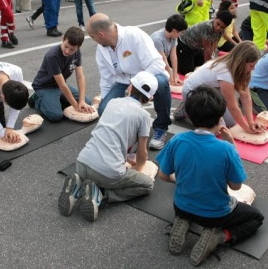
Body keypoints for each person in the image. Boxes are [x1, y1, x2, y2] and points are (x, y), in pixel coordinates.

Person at [157, 86, 264, 266]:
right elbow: (236, 186)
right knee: (256, 218)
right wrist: (232, 143)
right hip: (215, 215)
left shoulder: (177, 140)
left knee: (188, 203)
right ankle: (220, 236)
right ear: (220, 118)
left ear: (190, 116)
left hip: (181, 206)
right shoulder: (226, 149)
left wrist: (180, 180)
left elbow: (163, 175)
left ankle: (183, 220)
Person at [58, 71, 158, 222]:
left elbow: (110, 135)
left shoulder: (113, 102)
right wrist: (135, 170)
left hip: (82, 162)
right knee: (147, 185)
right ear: (151, 98)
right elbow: (142, 154)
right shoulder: (144, 116)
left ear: (130, 87)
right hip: (107, 173)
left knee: (99, 170)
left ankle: (78, 187)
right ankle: (102, 194)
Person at [87, 13, 172, 150]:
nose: (93, 40)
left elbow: (157, 64)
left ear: (101, 34)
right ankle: (124, 134)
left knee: (162, 83)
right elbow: (106, 78)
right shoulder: (101, 49)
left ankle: (161, 127)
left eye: (92, 37)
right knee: (104, 110)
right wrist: (105, 100)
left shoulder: (134, 35)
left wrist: (138, 83)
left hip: (149, 77)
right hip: (124, 82)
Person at [174, 41, 265, 134]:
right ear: (241, 62)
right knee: (217, 129)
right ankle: (188, 108)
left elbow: (245, 96)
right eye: (251, 66)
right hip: (194, 93)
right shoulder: (225, 72)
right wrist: (246, 129)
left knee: (231, 122)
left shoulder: (239, 68)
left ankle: (191, 109)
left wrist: (250, 122)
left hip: (211, 91)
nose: (253, 69)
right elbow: (232, 106)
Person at [29, 26, 92, 121]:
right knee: (56, 115)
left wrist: (82, 101)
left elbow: (80, 77)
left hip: (59, 86)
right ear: (63, 39)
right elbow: (62, 85)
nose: (67, 51)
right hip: (45, 87)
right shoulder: (52, 55)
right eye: (66, 46)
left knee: (87, 102)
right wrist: (75, 105)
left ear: (78, 47)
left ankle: (54, 100)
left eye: (72, 49)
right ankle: (36, 98)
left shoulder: (77, 52)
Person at [176, 10, 233, 75]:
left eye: (222, 27)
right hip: (184, 44)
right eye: (217, 24)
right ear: (215, 18)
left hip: (196, 47)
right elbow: (207, 48)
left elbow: (214, 44)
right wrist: (208, 67)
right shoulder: (207, 27)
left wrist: (212, 59)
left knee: (201, 63)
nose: (218, 28)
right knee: (188, 72)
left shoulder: (221, 31)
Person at [150, 14, 188, 87]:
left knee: (172, 75)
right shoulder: (157, 39)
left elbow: (173, 56)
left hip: (161, 62)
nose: (180, 35)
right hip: (152, 64)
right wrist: (171, 76)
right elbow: (163, 59)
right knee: (164, 81)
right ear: (174, 31)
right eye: (181, 32)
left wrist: (175, 75)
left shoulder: (173, 37)